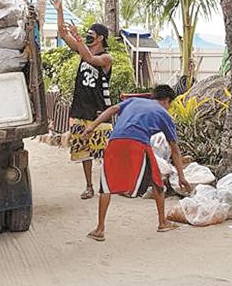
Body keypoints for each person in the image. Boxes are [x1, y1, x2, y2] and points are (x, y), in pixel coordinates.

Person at [82, 85, 192, 241]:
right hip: (138, 144)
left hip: (114, 141)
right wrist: (181, 176)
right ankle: (162, 222)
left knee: (105, 185)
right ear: (167, 101)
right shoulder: (164, 114)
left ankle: (99, 229)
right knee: (157, 181)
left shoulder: (133, 101)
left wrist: (92, 126)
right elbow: (175, 149)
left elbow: (113, 109)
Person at [50, 0, 113, 200]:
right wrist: (60, 9)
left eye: (91, 34)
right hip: (80, 109)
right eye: (86, 34)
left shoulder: (106, 58)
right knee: (83, 151)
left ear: (100, 38)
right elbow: (62, 33)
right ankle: (89, 186)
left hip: (99, 111)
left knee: (104, 152)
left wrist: (78, 39)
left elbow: (89, 58)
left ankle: (110, 184)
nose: (87, 36)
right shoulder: (81, 48)